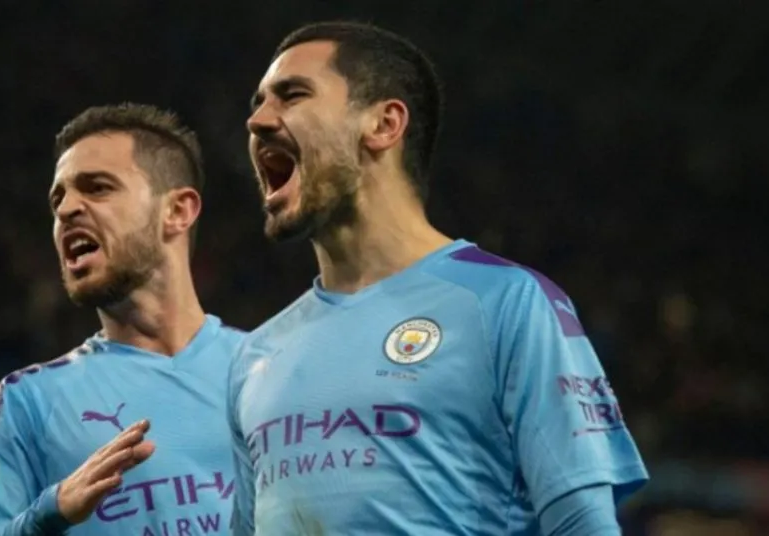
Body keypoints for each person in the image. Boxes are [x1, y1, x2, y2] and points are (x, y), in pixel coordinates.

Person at [228, 21, 648, 535]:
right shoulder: (254, 357)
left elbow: (582, 525)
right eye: (258, 102)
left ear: (384, 124)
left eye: (292, 95)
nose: (258, 120)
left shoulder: (506, 303)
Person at [0, 103, 243, 535]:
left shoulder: (265, 370)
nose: (66, 210)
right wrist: (51, 511)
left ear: (177, 211)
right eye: (58, 198)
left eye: (97, 188)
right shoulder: (27, 403)